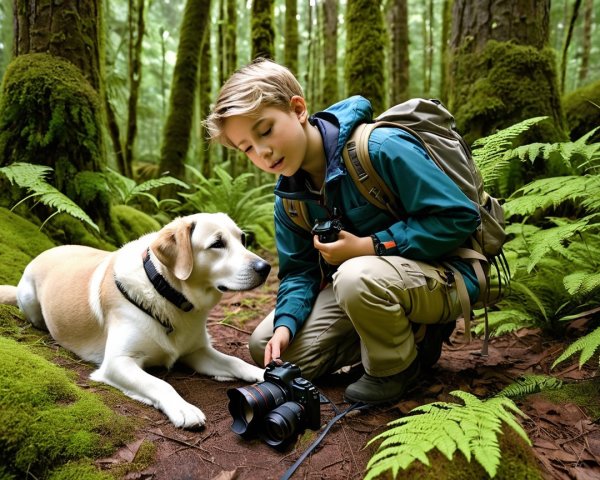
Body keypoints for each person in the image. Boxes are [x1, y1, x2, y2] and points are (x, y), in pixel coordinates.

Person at [204, 58, 480, 405]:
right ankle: (407, 334)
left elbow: (458, 217)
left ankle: (395, 369)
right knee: (267, 347)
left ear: (298, 109)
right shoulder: (290, 199)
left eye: (265, 130)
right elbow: (299, 273)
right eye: (247, 148)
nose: (262, 152)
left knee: (353, 274)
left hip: (448, 273)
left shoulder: (379, 148)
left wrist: (369, 246)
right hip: (370, 285)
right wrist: (286, 324)